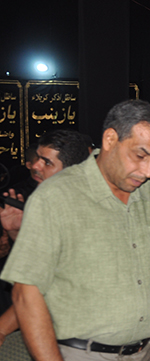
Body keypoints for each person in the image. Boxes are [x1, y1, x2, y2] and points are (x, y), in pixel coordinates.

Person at [2, 100, 150, 361]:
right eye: (140, 155)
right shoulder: (57, 197)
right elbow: (26, 295)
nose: (148, 171)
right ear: (110, 140)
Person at [0, 129, 91, 347]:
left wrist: (2, 329)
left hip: (81, 343)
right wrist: (17, 233)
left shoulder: (86, 213)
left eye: (47, 163)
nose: (35, 166)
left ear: (71, 172)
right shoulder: (47, 204)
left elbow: (42, 289)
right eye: (37, 159)